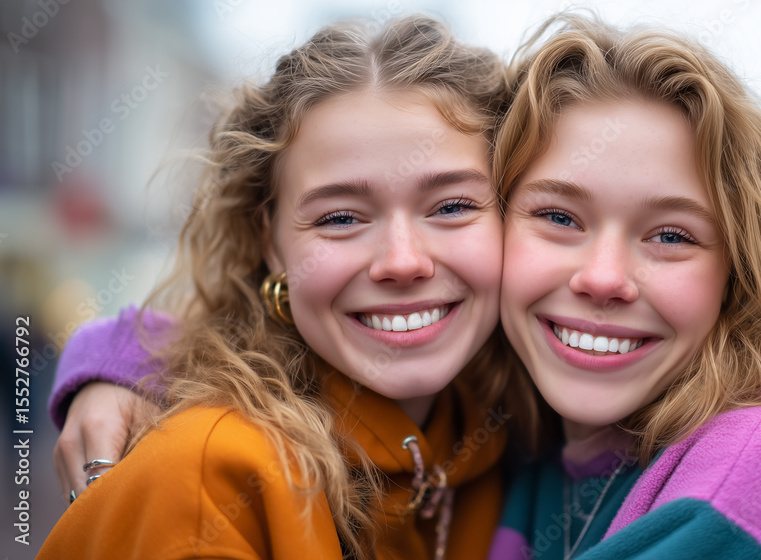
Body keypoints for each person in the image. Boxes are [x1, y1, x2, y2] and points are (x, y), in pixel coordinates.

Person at [39, 15, 535, 560]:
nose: (402, 261)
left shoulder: (529, 438)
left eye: (452, 207)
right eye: (341, 218)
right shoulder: (204, 477)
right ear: (270, 244)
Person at [486, 15, 761, 559]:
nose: (604, 278)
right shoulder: (523, 451)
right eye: (560, 218)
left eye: (669, 235)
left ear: (741, 273)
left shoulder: (759, 484)